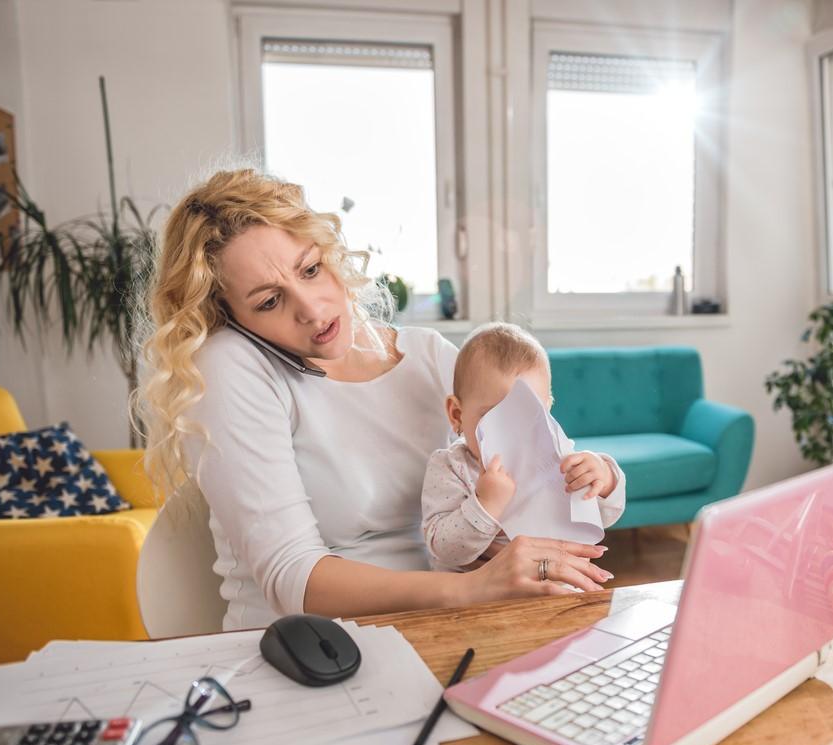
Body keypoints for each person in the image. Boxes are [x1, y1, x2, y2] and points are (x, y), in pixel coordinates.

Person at [138, 169, 610, 630]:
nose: (311, 308)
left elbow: (548, 475)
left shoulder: (429, 356)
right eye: (268, 302)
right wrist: (474, 588)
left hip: (451, 627)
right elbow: (292, 576)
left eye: (310, 269)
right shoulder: (232, 364)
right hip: (311, 648)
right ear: (231, 317)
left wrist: (580, 492)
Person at [422, 323, 625, 571]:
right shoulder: (452, 467)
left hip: (556, 582)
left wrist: (603, 479)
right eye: (493, 417)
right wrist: (486, 504)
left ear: (547, 410)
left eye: (528, 415)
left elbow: (605, 516)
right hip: (478, 594)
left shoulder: (557, 458)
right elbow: (445, 550)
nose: (512, 431)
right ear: (457, 415)